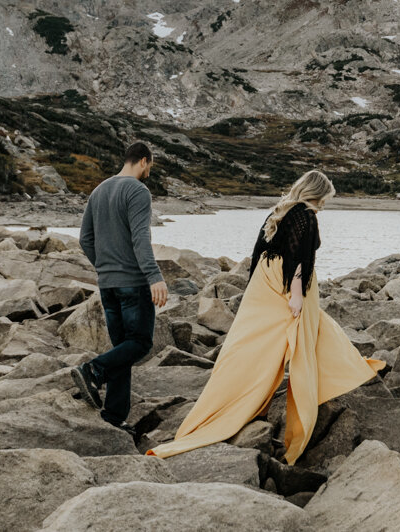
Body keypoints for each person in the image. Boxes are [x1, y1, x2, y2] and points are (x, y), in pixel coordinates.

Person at [148, 170, 384, 464]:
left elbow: (259, 252)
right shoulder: (305, 215)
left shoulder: (280, 210)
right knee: (300, 342)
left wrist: (253, 290)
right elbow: (300, 259)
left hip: (264, 281)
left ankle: (228, 402)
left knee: (254, 346)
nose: (325, 203)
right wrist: (295, 294)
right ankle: (299, 403)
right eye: (326, 197)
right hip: (287, 285)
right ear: (317, 193)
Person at [73, 141, 167, 427]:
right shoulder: (138, 191)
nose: (149, 170)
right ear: (143, 161)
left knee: (122, 349)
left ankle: (113, 418)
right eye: (150, 165)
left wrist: (104, 267)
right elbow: (141, 239)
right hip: (133, 283)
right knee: (139, 343)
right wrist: (155, 277)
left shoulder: (98, 191)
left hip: (107, 284)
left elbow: (85, 240)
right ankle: (93, 370)